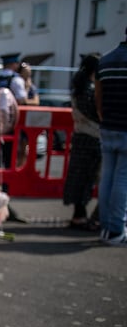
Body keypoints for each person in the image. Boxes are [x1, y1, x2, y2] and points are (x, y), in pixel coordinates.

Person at [95, 27, 127, 246]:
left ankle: (106, 225)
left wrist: (104, 116)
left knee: (107, 177)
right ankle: (116, 229)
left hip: (108, 125)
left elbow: (99, 98)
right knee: (122, 179)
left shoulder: (105, 60)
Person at [63, 54, 101, 231]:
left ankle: (79, 214)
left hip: (79, 137)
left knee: (78, 176)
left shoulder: (77, 88)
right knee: (89, 178)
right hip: (94, 138)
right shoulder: (91, 90)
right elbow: (98, 113)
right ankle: (83, 217)